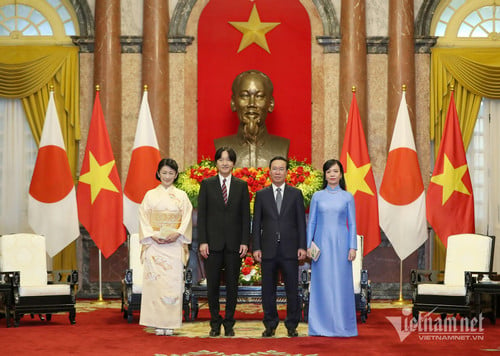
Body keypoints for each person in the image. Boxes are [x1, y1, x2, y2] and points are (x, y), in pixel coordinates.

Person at [198, 146, 251, 337]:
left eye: (228, 160)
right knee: (212, 286)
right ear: (216, 162)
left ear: (234, 163)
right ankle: (214, 322)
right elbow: (202, 216)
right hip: (212, 244)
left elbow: (246, 216)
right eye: (221, 159)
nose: (225, 163)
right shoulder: (206, 184)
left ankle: (229, 322)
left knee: (232, 286)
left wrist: (245, 241)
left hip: (235, 245)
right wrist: (203, 241)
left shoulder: (241, 185)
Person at [252, 156, 307, 337]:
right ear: (269, 171)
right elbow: (256, 224)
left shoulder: (296, 194)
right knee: (268, 290)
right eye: (274, 168)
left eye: (281, 169)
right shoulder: (261, 195)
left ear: (286, 172)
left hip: (290, 249)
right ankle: (270, 324)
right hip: (267, 250)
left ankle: (292, 324)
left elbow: (301, 223)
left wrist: (302, 246)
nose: (277, 172)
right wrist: (256, 248)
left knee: (292, 289)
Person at [138, 158, 193, 336]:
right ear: (158, 173)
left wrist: (177, 233)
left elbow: (186, 218)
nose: (167, 176)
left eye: (171, 173)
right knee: (155, 285)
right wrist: (153, 235)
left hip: (174, 244)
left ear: (176, 175)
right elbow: (143, 218)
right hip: (155, 244)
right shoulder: (149, 195)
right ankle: (156, 322)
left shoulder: (182, 196)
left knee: (172, 284)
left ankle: (170, 323)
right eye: (164, 172)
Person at [306, 159, 358, 337]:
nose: (332, 174)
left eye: (335, 171)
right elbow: (311, 221)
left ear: (341, 174)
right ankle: (320, 326)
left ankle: (343, 326)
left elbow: (352, 223)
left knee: (340, 284)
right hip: (320, 246)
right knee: (322, 284)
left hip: (342, 245)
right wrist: (308, 245)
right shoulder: (317, 196)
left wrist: (353, 247)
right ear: (325, 175)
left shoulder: (347, 197)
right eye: (329, 172)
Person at [214, 69, 290, 168]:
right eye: (244, 96)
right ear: (233, 102)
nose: (252, 104)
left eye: (259, 96)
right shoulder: (220, 145)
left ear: (271, 103)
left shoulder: (282, 146)